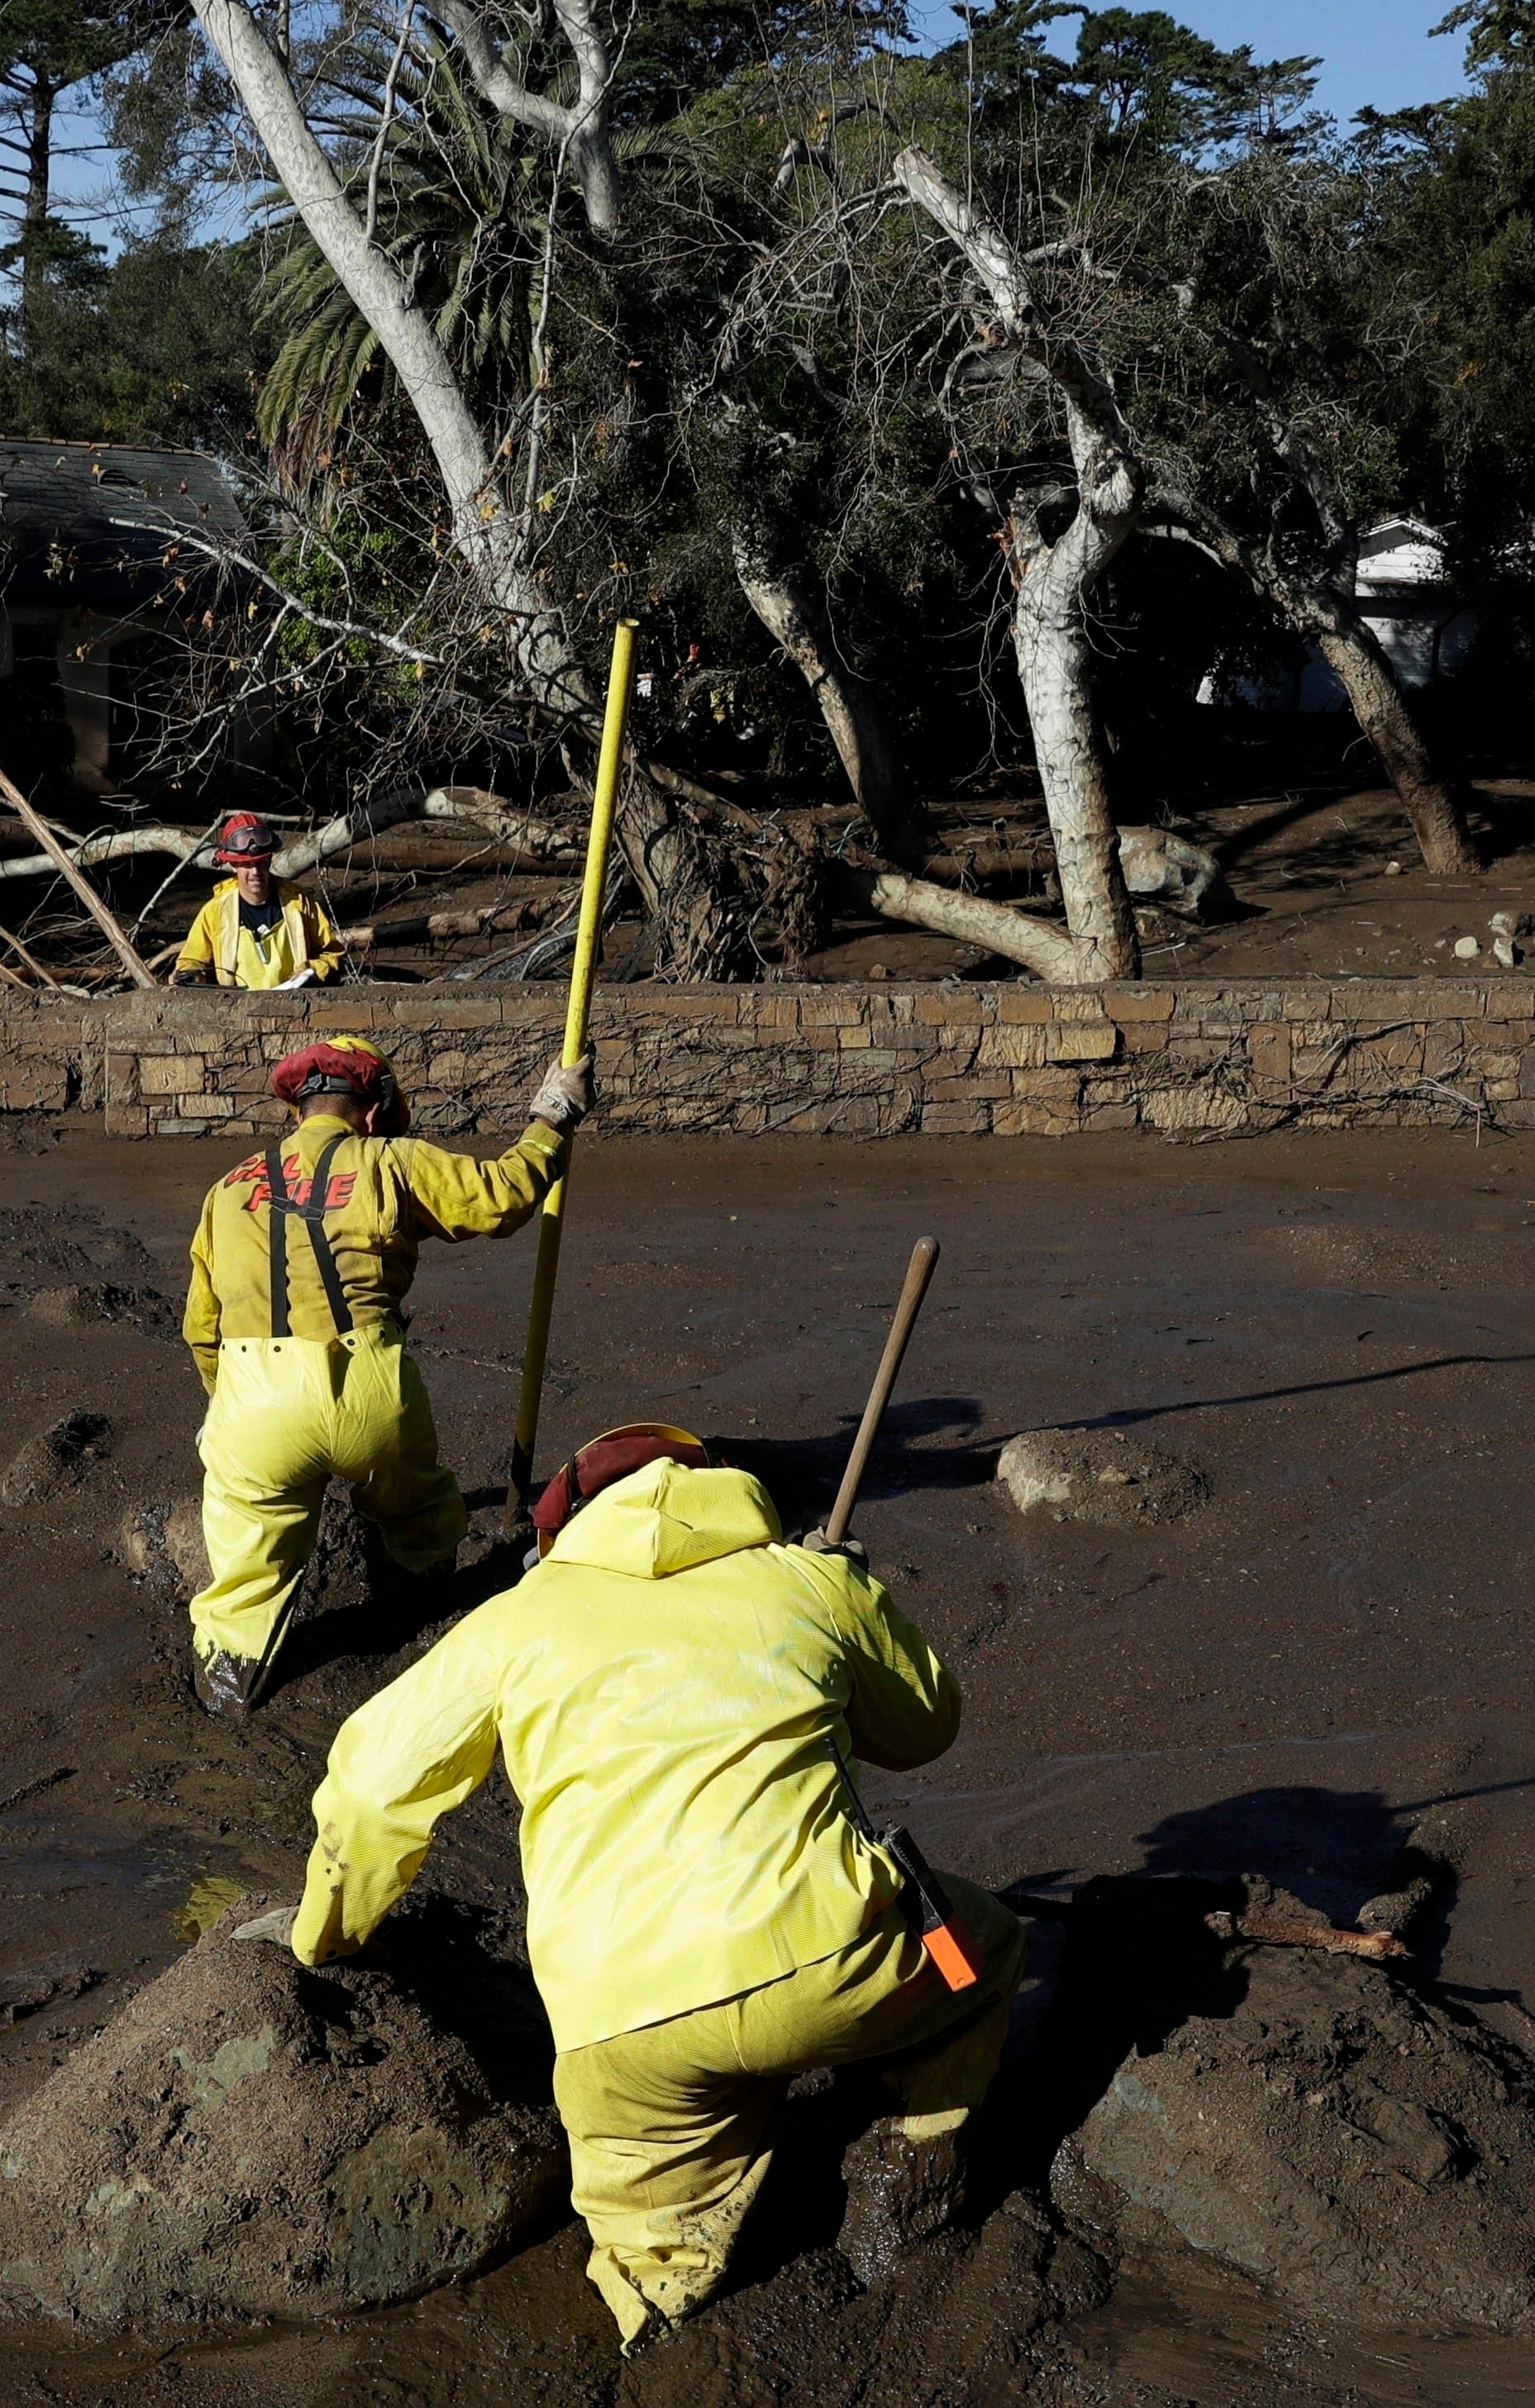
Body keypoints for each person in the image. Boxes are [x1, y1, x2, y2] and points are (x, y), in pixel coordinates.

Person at [289, 1425, 1023, 2351]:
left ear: (563, 1531)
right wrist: (853, 1590)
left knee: (649, 2270)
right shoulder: (806, 1580)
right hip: (837, 1964)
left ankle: (660, 2324)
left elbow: (368, 1787)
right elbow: (925, 1724)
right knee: (984, 1950)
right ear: (727, 1495)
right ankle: (910, 2170)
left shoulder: (520, 1618)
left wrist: (325, 1937)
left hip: (616, 2024)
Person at [179, 1033, 588, 1711]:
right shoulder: (392, 1161)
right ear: (373, 1111)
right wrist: (552, 1118)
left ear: (298, 1111)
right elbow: (502, 1198)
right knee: (420, 1514)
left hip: (253, 1392)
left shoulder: (227, 1190)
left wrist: (229, 1404)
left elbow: (201, 1327)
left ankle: (229, 1690)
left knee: (246, 1578)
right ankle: (415, 1629)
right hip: (369, 1379)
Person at [171, 812, 345, 988]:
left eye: (260, 863)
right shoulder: (216, 911)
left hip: (297, 1008)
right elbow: (192, 961)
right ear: (233, 865)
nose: (255, 872)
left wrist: (311, 971)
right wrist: (189, 975)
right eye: (247, 864)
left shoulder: (299, 904)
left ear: (269, 860)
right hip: (237, 1010)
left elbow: (331, 953)